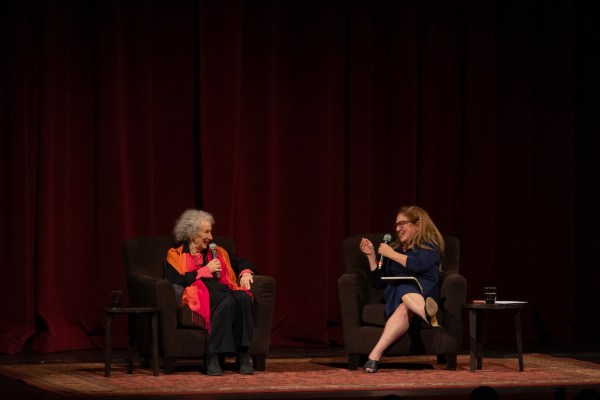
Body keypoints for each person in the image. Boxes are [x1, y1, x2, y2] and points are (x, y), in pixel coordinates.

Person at [164, 209, 256, 376]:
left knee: (242, 297)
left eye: (210, 231)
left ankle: (243, 355)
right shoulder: (176, 254)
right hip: (197, 292)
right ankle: (212, 355)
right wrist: (204, 270)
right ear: (192, 234)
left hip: (222, 289)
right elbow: (174, 279)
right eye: (206, 232)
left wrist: (246, 272)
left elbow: (242, 261)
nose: (211, 237)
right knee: (227, 300)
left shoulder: (217, 251)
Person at [359, 205, 444, 373]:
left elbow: (418, 266)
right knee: (402, 286)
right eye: (396, 225)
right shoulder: (395, 248)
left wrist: (390, 254)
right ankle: (427, 314)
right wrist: (371, 256)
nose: (398, 229)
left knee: (405, 295)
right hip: (398, 292)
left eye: (403, 224)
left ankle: (374, 355)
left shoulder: (430, 246)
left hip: (424, 290)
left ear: (417, 225)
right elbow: (379, 282)